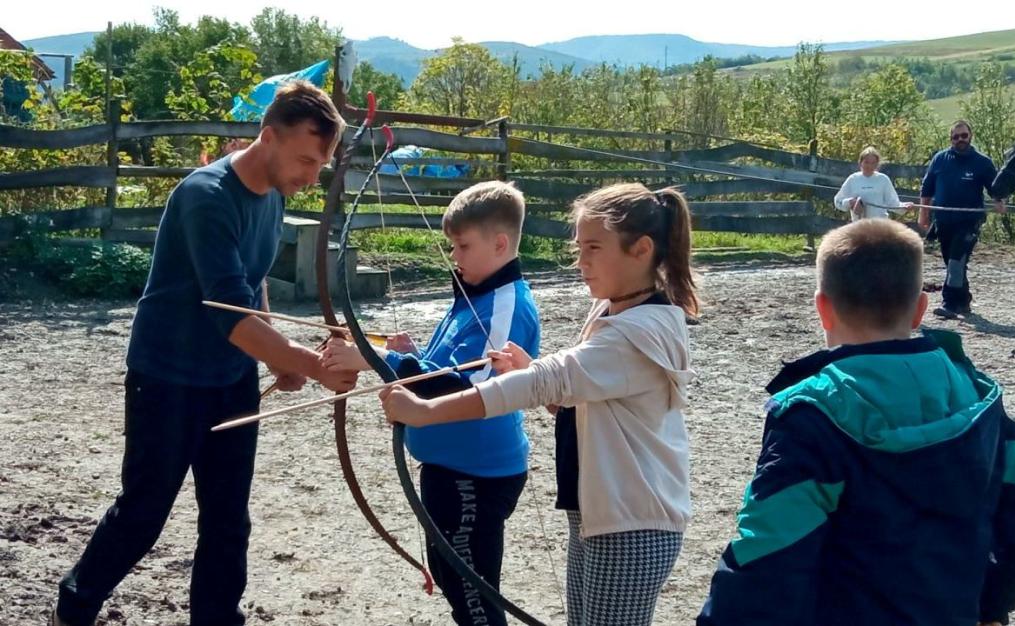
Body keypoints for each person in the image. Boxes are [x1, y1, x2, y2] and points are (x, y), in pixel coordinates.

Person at [52, 81, 358, 626]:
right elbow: (228, 314)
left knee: (227, 520)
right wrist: (303, 361)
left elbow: (251, 284)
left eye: (321, 165)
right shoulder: (206, 196)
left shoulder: (273, 195)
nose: (313, 177)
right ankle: (74, 605)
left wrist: (276, 354)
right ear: (268, 137)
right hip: (167, 376)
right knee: (143, 514)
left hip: (229, 378)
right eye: (307, 160)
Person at [696, 218, 1015, 626]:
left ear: (823, 308)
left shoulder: (812, 415)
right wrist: (992, 601)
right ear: (920, 309)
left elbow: (766, 561)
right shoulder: (977, 394)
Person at [379, 182, 698, 626]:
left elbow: (549, 380)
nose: (579, 261)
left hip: (634, 523)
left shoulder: (638, 333)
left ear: (640, 250)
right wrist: (531, 376)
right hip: (603, 514)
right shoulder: (615, 311)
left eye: (593, 248)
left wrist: (426, 410)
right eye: (578, 246)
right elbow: (584, 397)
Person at [322, 181, 541, 626]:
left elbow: (466, 385)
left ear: (500, 244)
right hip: (450, 468)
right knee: (452, 579)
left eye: (462, 245)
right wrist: (411, 352)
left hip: (476, 474)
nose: (454, 256)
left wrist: (377, 358)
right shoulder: (475, 294)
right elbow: (448, 365)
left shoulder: (505, 304)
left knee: (475, 597)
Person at [916, 120, 1007, 319]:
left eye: (964, 135)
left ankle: (949, 303)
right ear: (951, 139)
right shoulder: (940, 159)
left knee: (956, 261)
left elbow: (995, 187)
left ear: (970, 136)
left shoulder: (982, 162)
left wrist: (999, 201)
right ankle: (964, 301)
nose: (960, 140)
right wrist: (923, 213)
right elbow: (927, 187)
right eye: (956, 137)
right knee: (953, 264)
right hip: (943, 220)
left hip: (969, 221)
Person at [833, 145, 909, 221]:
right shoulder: (853, 179)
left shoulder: (883, 179)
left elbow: (893, 203)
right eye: (866, 162)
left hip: (879, 225)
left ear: (877, 164)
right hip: (859, 225)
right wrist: (850, 202)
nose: (869, 166)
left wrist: (904, 206)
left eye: (873, 163)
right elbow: (838, 201)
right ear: (860, 162)